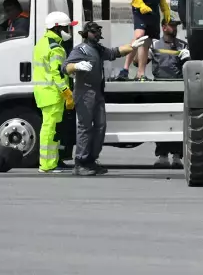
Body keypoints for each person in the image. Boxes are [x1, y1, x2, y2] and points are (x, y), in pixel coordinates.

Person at [63, 21, 147, 176]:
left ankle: (91, 160)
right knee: (85, 127)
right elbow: (66, 67)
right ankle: (80, 162)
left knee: (100, 126)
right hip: (84, 92)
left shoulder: (98, 49)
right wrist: (76, 66)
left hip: (97, 92)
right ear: (86, 33)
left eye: (98, 32)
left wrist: (133, 46)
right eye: (94, 32)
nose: (97, 34)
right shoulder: (80, 49)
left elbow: (115, 52)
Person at [33, 12, 77, 173]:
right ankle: (47, 165)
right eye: (66, 27)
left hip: (43, 93)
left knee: (49, 128)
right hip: (53, 94)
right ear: (57, 28)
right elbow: (56, 74)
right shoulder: (56, 48)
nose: (68, 31)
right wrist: (67, 92)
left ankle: (50, 162)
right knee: (50, 129)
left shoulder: (42, 43)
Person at [151, 19, 189, 168]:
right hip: (159, 87)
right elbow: (138, 63)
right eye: (172, 25)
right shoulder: (154, 45)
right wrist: (142, 49)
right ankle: (162, 156)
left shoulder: (183, 45)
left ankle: (177, 156)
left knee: (179, 124)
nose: (174, 28)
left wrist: (187, 58)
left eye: (175, 26)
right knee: (161, 123)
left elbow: (187, 66)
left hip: (177, 87)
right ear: (163, 27)